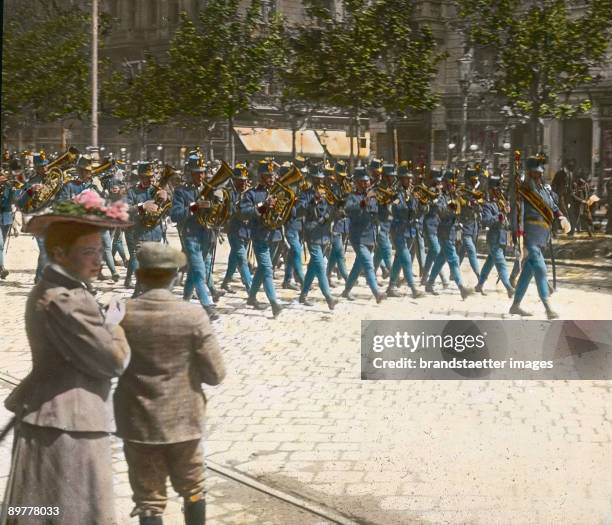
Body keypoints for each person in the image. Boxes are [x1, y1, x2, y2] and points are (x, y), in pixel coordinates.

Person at [2, 192, 131, 525]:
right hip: (68, 427)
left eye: (100, 250)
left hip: (57, 422)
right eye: (88, 252)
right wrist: (115, 322)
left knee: (40, 511)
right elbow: (114, 360)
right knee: (69, 514)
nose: (98, 260)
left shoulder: (63, 290)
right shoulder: (66, 299)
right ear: (59, 253)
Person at [114, 242, 225, 525]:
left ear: (139, 276)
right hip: (183, 421)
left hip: (138, 422)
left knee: (148, 499)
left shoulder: (122, 314)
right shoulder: (193, 316)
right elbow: (216, 374)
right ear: (176, 276)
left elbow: (109, 364)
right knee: (194, 488)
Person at [509, 155, 571, 319]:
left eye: (539, 173)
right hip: (529, 238)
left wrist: (561, 217)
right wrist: (518, 240)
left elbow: (553, 206)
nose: (538, 176)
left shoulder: (544, 190)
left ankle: (515, 306)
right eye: (535, 173)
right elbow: (516, 216)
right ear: (529, 173)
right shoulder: (523, 192)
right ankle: (548, 308)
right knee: (541, 271)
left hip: (542, 237)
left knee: (527, 273)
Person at [171, 154, 219, 320]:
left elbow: (220, 212)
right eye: (197, 173)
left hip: (207, 235)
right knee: (200, 271)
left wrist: (217, 203)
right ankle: (207, 305)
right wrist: (194, 207)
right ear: (189, 174)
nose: (201, 176)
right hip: (190, 235)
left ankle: (185, 301)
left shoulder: (209, 189)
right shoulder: (180, 191)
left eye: (203, 172)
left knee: (194, 271)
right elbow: (175, 215)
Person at [239, 160, 284, 318]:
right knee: (267, 269)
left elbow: (287, 213)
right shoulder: (251, 194)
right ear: (260, 177)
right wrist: (263, 206)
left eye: (272, 176)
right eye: (268, 176)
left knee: (263, 269)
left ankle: (251, 297)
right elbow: (244, 212)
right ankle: (274, 303)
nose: (271, 179)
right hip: (259, 235)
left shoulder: (279, 192)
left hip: (275, 235)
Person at [425, 170, 474, 299]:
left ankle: (429, 284)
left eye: (454, 183)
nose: (453, 186)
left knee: (441, 259)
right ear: (445, 184)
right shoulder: (441, 197)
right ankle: (461, 287)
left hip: (452, 231)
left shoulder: (455, 196)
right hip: (444, 231)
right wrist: (449, 210)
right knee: (453, 259)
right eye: (450, 183)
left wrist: (468, 207)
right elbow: (440, 212)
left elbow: (462, 210)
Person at [295, 165, 338, 310]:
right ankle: (329, 297)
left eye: (321, 179)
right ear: (311, 179)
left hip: (324, 233)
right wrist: (312, 201)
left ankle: (303, 295)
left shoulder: (326, 192)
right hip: (312, 234)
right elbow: (298, 210)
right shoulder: (305, 194)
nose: (319, 181)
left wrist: (326, 217)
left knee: (313, 267)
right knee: (320, 265)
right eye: (316, 179)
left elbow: (333, 209)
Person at [341, 167, 385, 303]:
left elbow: (377, 213)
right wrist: (363, 203)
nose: (366, 184)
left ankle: (346, 291)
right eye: (363, 182)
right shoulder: (352, 196)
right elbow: (348, 209)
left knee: (357, 266)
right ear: (356, 183)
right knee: (368, 264)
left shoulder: (373, 196)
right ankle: (377, 293)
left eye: (367, 182)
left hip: (370, 236)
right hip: (357, 237)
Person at [125, 161, 167, 289]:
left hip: (156, 233)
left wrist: (165, 198)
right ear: (140, 177)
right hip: (141, 233)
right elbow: (126, 208)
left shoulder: (157, 190)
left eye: (150, 177)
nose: (148, 180)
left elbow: (168, 209)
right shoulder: (132, 191)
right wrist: (142, 207)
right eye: (145, 177)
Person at [387, 165, 425, 299]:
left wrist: (423, 207)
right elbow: (394, 207)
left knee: (399, 259)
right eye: (406, 179)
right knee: (407, 258)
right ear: (400, 179)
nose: (409, 181)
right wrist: (406, 208)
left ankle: (391, 286)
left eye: (410, 179)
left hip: (410, 230)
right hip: (398, 230)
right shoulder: (396, 193)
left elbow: (421, 209)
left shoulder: (414, 192)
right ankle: (414, 289)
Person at [474, 174, 515, 297]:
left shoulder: (500, 203)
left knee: (489, 263)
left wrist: (507, 214)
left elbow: (505, 221)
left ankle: (479, 285)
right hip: (494, 239)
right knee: (501, 264)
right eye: (497, 189)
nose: (499, 191)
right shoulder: (488, 205)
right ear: (491, 190)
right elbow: (485, 221)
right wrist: (499, 217)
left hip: (502, 238)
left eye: (499, 188)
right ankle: (509, 288)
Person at [220, 164, 253, 293]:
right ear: (234, 180)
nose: (243, 183)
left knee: (234, 257)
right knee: (242, 258)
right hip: (233, 229)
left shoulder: (249, 193)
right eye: (240, 180)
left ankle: (225, 282)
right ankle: (250, 288)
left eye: (245, 180)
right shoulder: (228, 193)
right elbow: (228, 211)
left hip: (247, 231)